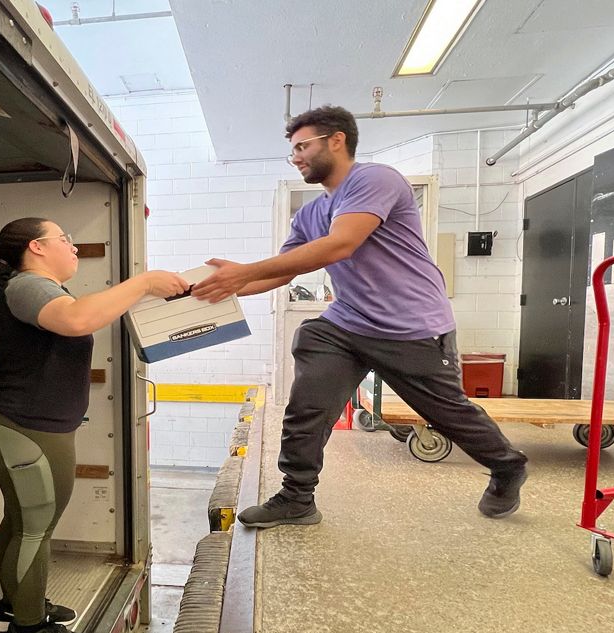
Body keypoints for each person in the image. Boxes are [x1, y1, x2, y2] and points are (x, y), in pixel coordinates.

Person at [192, 105, 528, 527]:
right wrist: (213, 289)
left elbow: (341, 245)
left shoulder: (374, 179)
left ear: (336, 140)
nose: (296, 157)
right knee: (309, 387)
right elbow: (285, 269)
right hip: (348, 324)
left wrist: (244, 273)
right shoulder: (309, 214)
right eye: (291, 150)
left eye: (302, 146)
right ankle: (297, 496)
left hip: (412, 326)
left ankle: (506, 465)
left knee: (448, 414)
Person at [0, 217, 187, 633]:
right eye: (64, 239)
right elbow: (77, 320)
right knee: (35, 528)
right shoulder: (28, 285)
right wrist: (145, 282)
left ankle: (16, 607)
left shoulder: (37, 288)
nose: (73, 247)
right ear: (36, 247)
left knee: (21, 522)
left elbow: (83, 315)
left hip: (28, 427)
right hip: (27, 430)